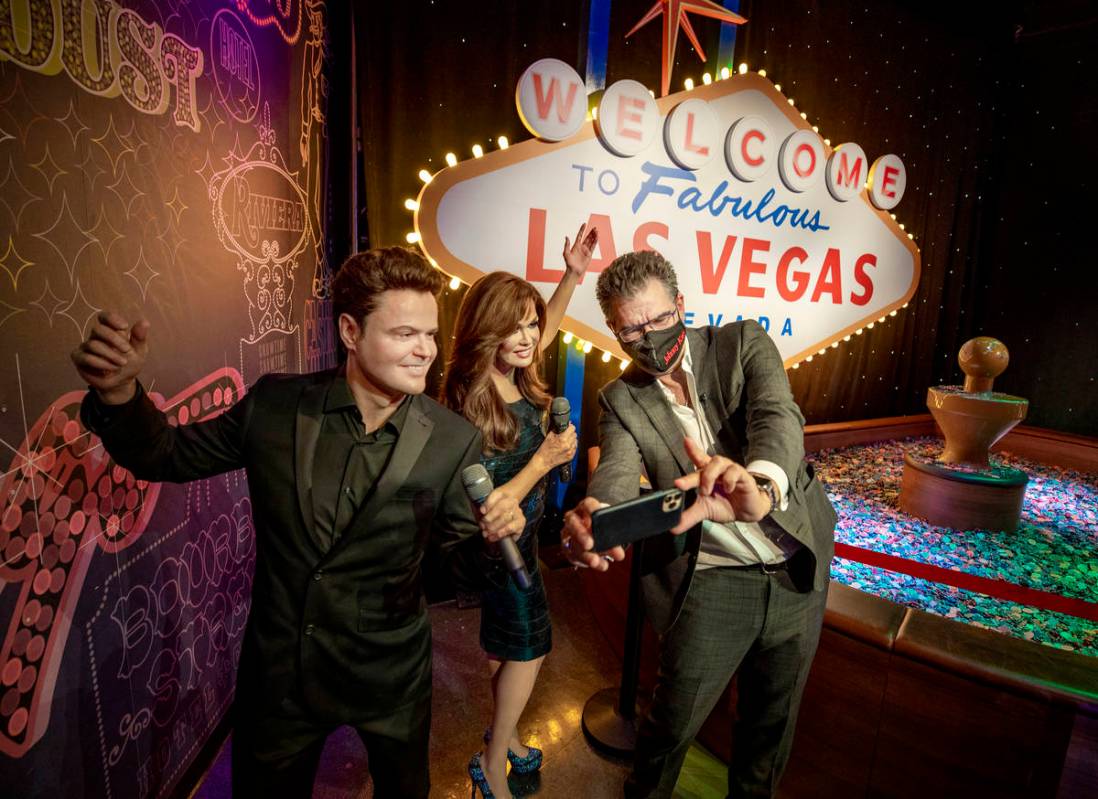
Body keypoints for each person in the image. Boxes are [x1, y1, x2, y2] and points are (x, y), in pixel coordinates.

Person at [70, 247, 525, 799]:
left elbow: (457, 570)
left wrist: (491, 539)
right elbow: (167, 454)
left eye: (430, 334)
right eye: (405, 333)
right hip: (281, 675)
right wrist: (119, 395)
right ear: (351, 331)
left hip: (390, 675)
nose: (425, 351)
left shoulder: (453, 439)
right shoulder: (276, 405)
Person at [561, 250, 837, 799]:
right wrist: (600, 514)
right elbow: (615, 470)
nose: (648, 338)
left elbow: (777, 417)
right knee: (668, 731)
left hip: (794, 572)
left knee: (769, 735)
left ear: (681, 305)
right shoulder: (621, 398)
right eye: (629, 329)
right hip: (709, 584)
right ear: (614, 331)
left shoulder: (741, 344)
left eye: (659, 320)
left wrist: (759, 486)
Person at [441, 223, 596, 799]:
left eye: (531, 323)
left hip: (524, 540)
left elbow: (544, 328)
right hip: (499, 551)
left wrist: (573, 274)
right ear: (486, 331)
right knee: (529, 649)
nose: (530, 336)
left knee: (504, 646)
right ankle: (491, 762)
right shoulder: (471, 400)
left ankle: (505, 741)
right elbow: (486, 507)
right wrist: (548, 458)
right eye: (514, 326)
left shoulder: (511, 369)